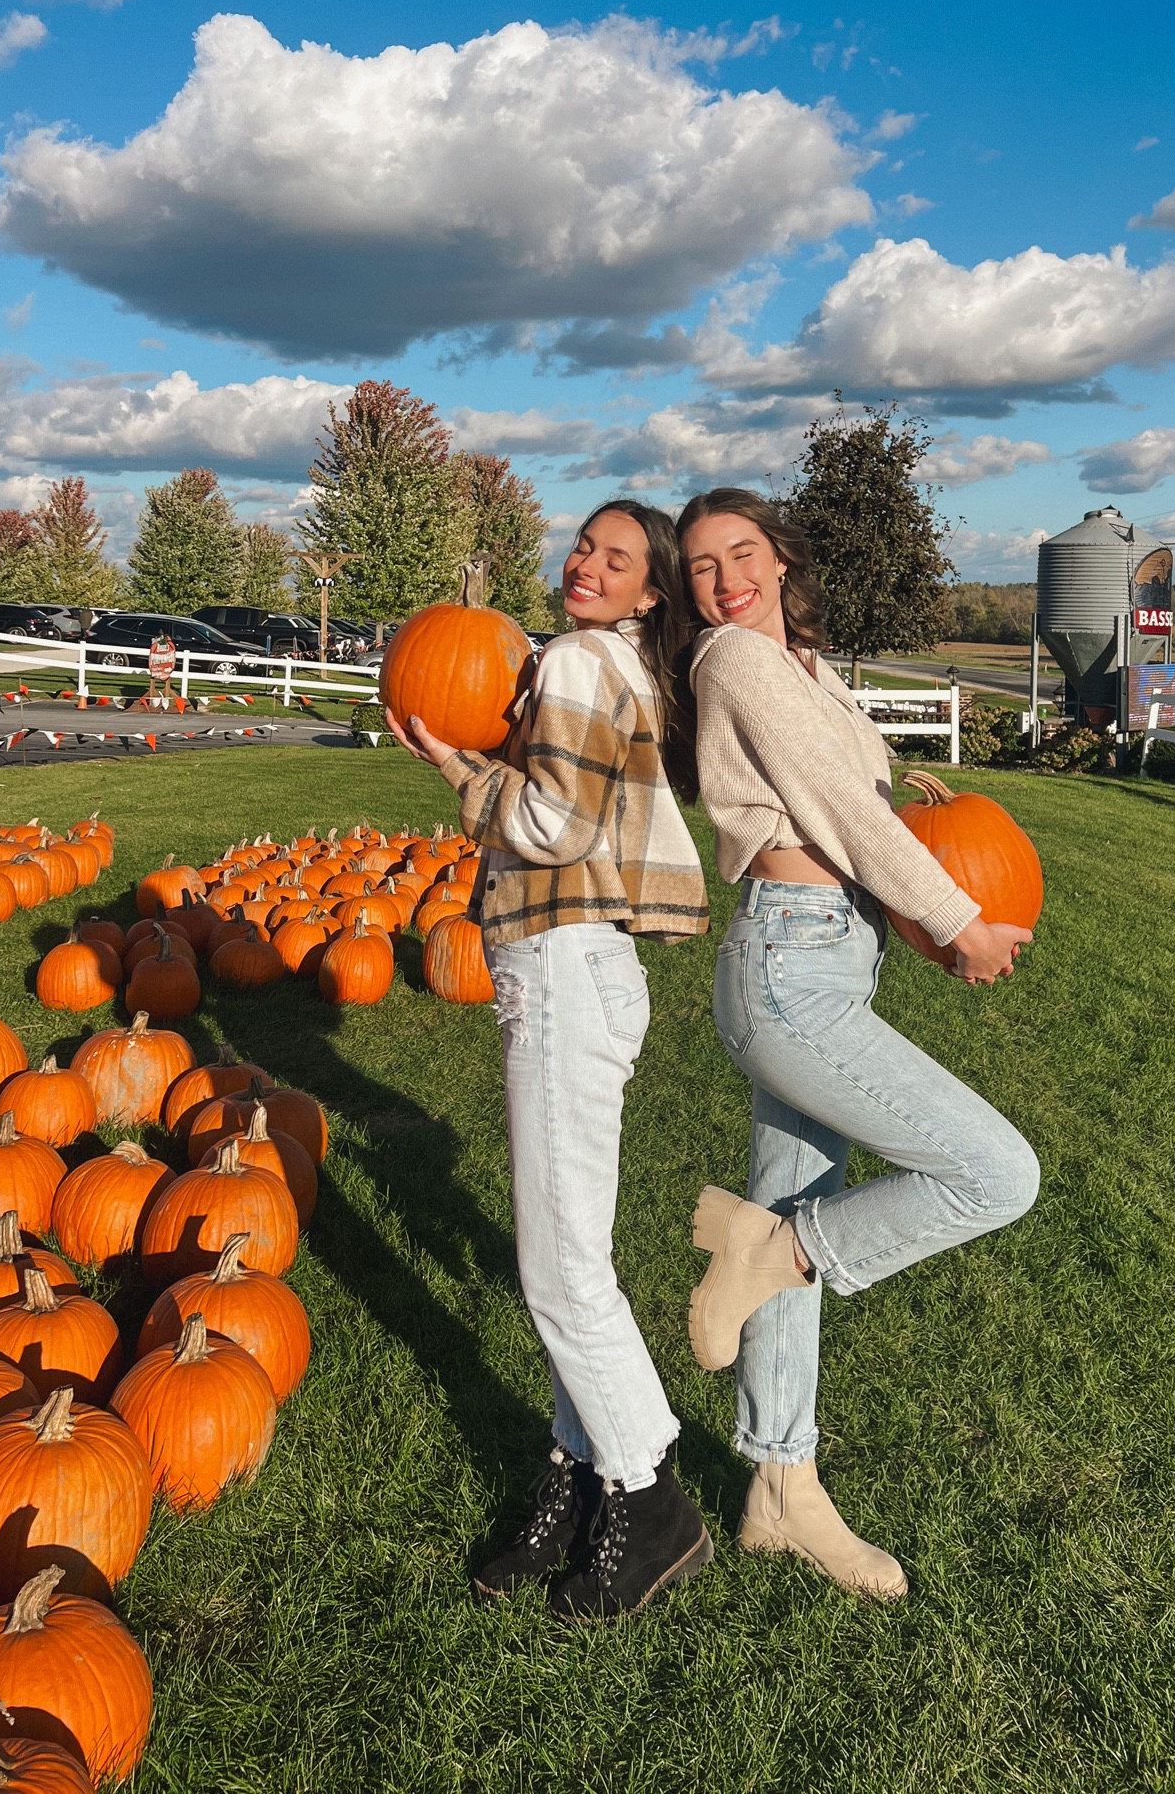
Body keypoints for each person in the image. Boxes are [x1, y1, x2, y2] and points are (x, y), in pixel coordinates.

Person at [676, 487, 1040, 1601]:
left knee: (796, 1207)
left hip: (827, 956)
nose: (726, 577)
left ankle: (781, 1489)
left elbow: (857, 783)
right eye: (699, 566)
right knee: (994, 1171)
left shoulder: (802, 667)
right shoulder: (732, 659)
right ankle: (770, 1253)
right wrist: (955, 917)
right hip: (791, 972)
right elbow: (841, 804)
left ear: (782, 559)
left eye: (742, 553)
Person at [386, 502, 712, 1622]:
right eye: (584, 545)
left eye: (616, 559)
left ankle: (650, 1495)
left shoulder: (576, 657)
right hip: (584, 968)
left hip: (565, 969)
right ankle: (575, 1475)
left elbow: (553, 825)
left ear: (650, 592)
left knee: (559, 1270)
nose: (587, 564)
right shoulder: (609, 663)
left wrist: (462, 773)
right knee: (577, 1248)